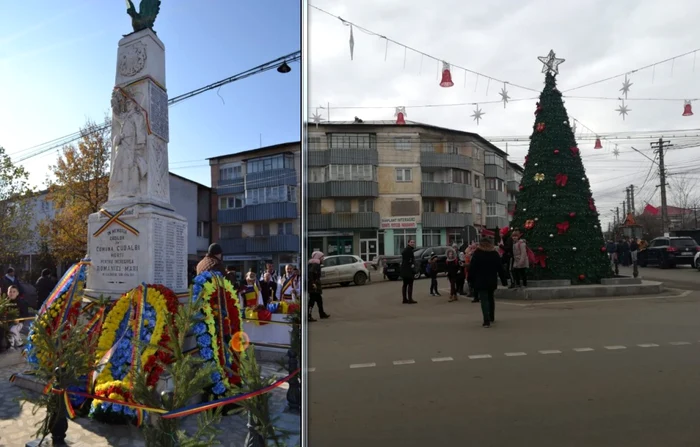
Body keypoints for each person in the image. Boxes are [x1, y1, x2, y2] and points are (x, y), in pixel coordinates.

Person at [468, 237, 506, 328]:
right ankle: (491, 317)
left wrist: (470, 280)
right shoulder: (494, 254)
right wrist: (504, 280)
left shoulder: (477, 254)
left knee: (484, 300)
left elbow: (472, 268)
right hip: (492, 280)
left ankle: (486, 320)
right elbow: (500, 268)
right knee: (491, 298)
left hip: (480, 280)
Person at [308, 251, 330, 321]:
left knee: (319, 300)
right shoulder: (315, 264)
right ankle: (308, 315)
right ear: (318, 258)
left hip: (314, 286)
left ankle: (322, 313)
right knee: (312, 301)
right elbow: (311, 273)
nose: (323, 259)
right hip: (314, 286)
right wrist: (313, 283)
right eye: (322, 258)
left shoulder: (313, 264)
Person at [400, 240, 417, 304]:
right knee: (410, 284)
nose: (413, 243)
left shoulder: (406, 250)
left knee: (405, 285)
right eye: (411, 242)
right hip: (408, 270)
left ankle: (404, 299)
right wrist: (412, 264)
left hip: (404, 270)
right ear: (408, 243)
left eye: (413, 242)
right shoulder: (409, 250)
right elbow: (410, 260)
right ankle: (410, 299)